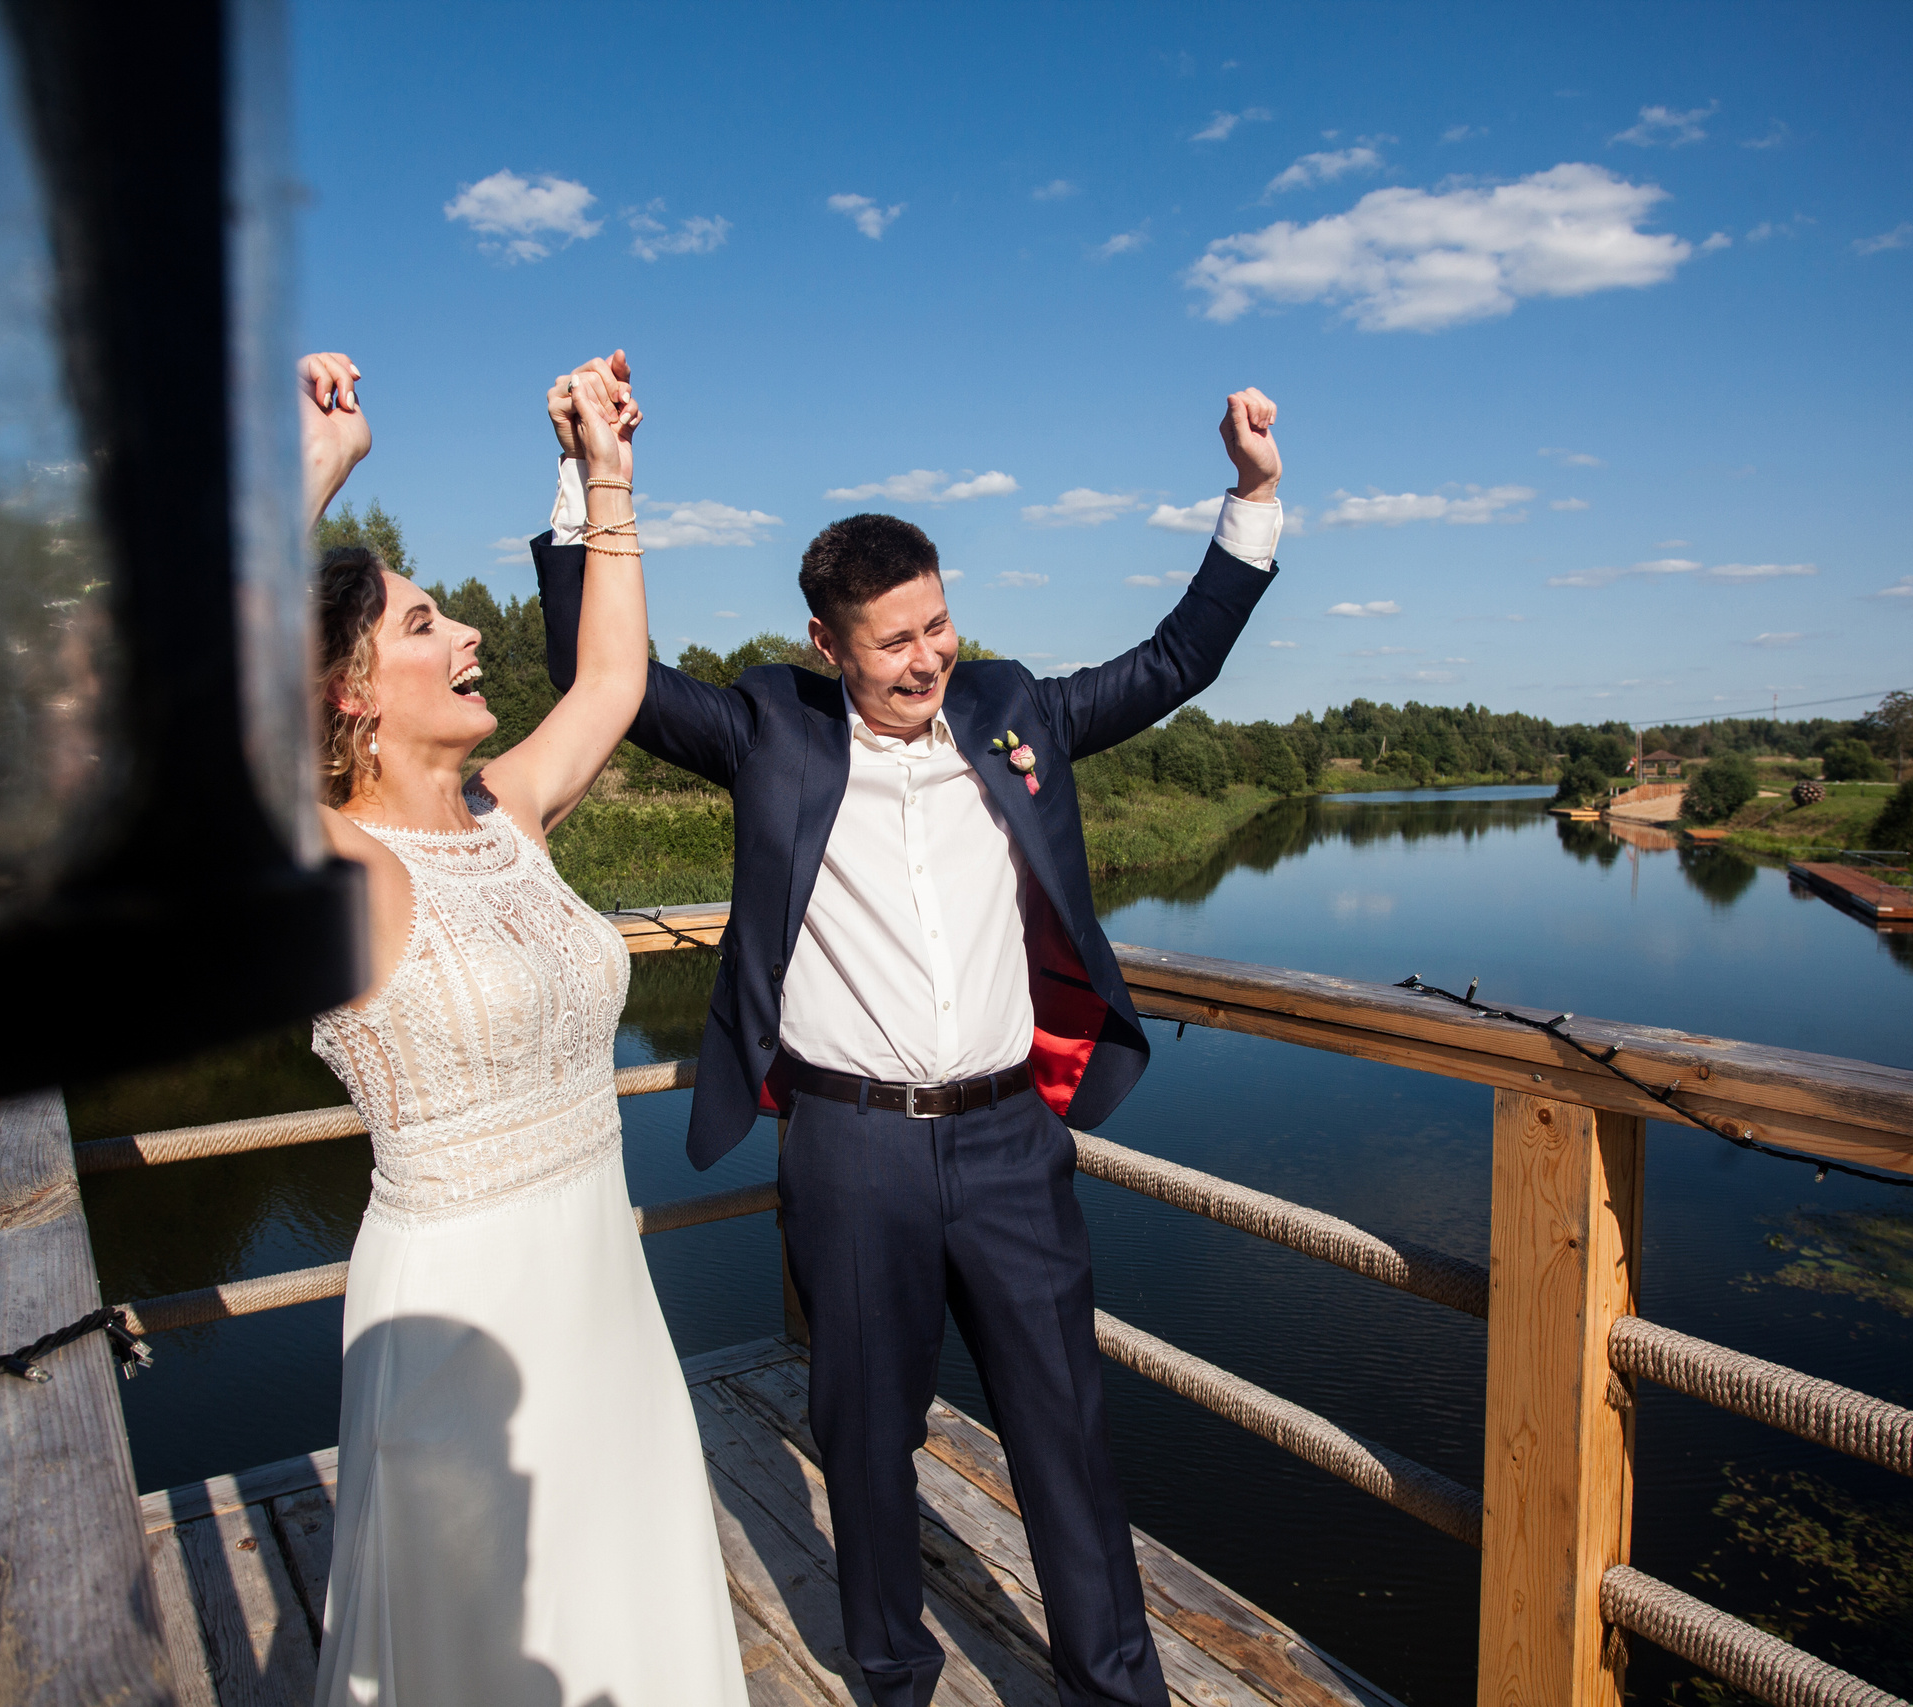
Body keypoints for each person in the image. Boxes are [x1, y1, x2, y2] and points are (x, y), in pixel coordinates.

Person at [535, 384, 1287, 1706]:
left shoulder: (1015, 712)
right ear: (829, 645)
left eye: (938, 623)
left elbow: (1176, 664)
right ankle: (891, 1676)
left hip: (1010, 1140)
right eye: (894, 642)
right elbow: (604, 683)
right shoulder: (769, 727)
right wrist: (581, 489)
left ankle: (1118, 1687)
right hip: (850, 1145)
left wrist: (1254, 500)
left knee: (1064, 1432)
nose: (928, 655)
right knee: (865, 1439)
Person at [296, 350, 746, 1706]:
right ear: (348, 691)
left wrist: (607, 474)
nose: (470, 636)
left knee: (624, 1601)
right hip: (457, 1317)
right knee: (485, 1636)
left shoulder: (508, 810)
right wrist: (317, 477)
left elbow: (611, 679)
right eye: (426, 622)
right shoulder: (333, 865)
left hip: (598, 1278)